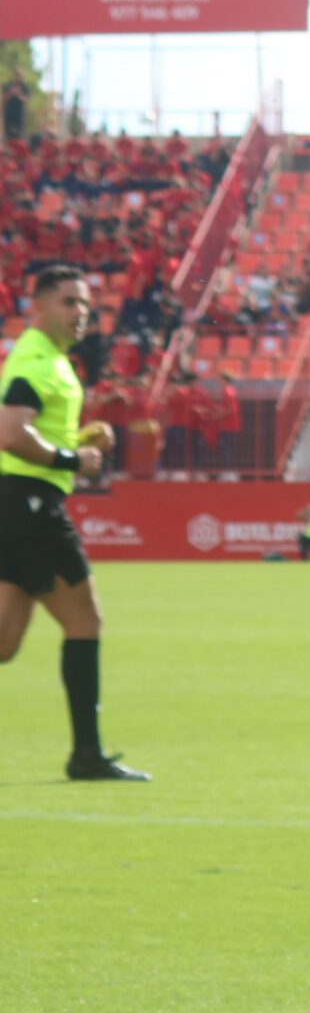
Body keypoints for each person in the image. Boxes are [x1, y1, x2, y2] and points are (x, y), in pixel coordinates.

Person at [0, 266, 147, 781]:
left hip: (15, 504)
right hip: (31, 505)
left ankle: (87, 754)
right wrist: (73, 460)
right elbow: (11, 434)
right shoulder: (39, 361)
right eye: (68, 302)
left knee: (4, 642)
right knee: (86, 622)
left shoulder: (52, 360)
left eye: (85, 304)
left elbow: (30, 432)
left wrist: (80, 440)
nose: (80, 312)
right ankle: (87, 755)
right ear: (38, 306)